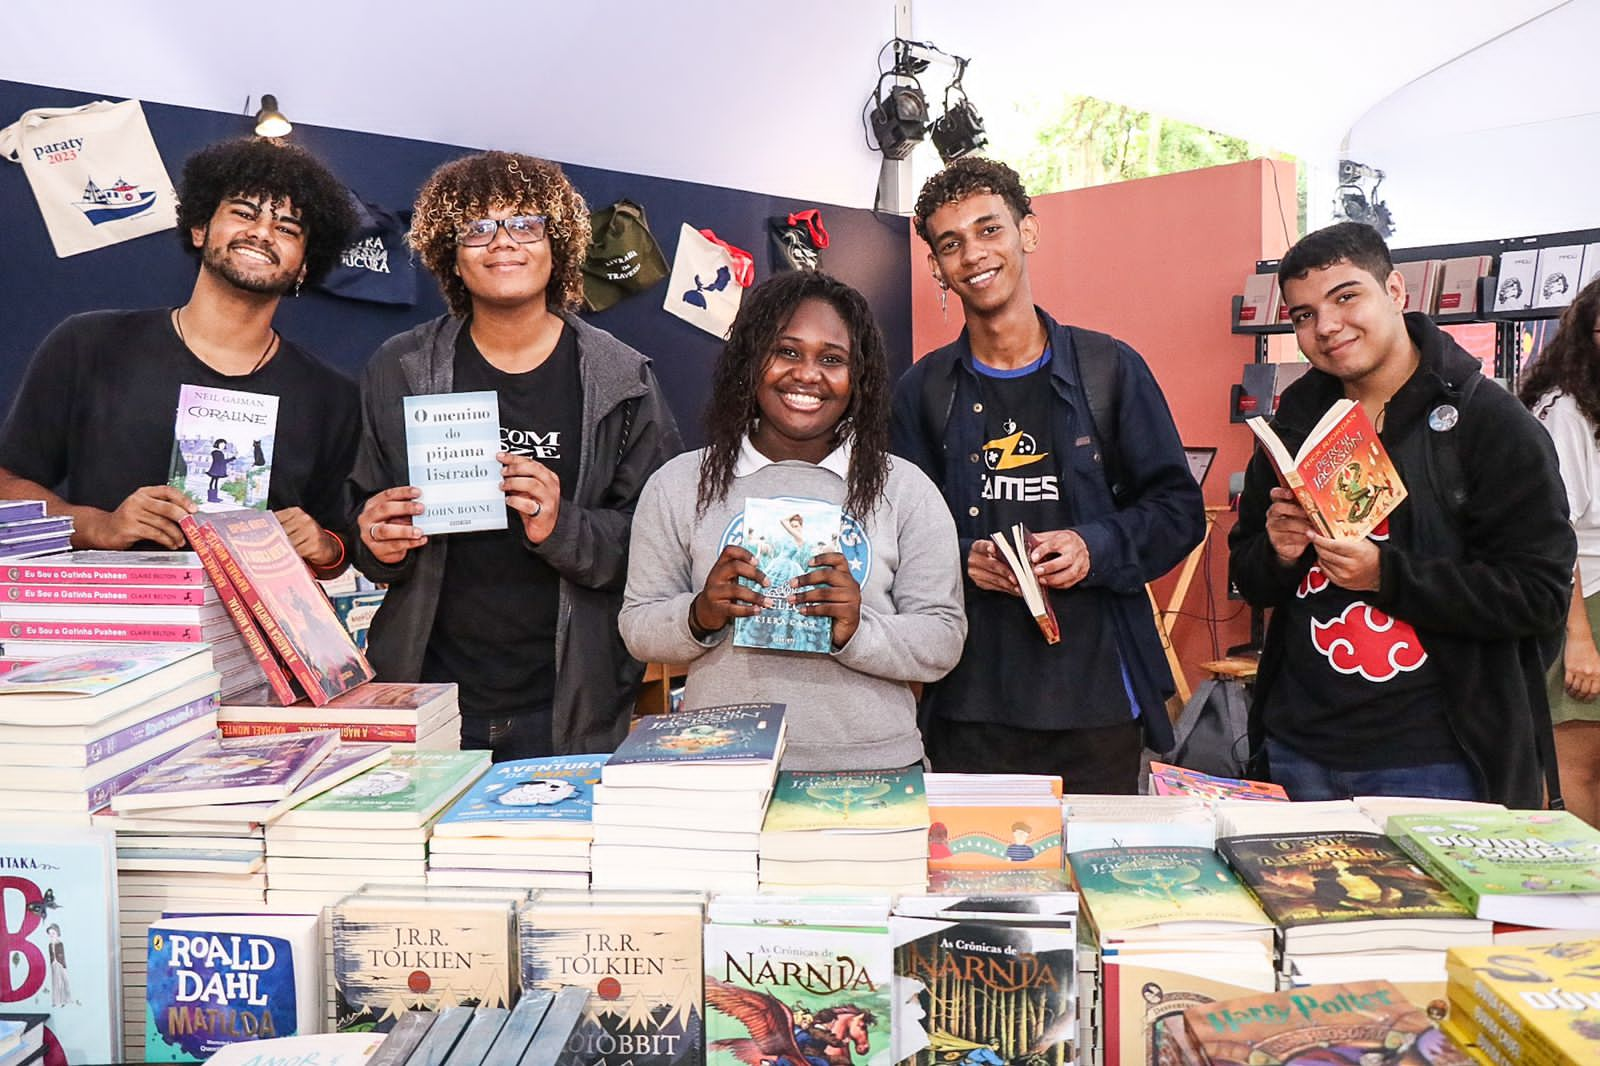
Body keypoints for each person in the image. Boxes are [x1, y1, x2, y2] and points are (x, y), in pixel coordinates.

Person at [1230, 222, 1574, 807]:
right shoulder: (1293, 422)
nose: (1327, 327)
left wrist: (1385, 577)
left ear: (1396, 291)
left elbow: (1539, 594)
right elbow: (1251, 577)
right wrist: (1278, 552)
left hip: (1441, 758)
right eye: (1304, 315)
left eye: (1346, 296)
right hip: (1298, 748)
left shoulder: (1489, 424)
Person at [349, 151, 679, 760]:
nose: (502, 243)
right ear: (450, 253)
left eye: (525, 223)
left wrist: (564, 526)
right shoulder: (399, 367)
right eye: (476, 228)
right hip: (428, 695)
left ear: (559, 244)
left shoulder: (622, 377)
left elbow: (662, 542)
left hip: (572, 701)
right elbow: (360, 516)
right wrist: (376, 541)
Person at [889, 157, 1204, 793]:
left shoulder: (1110, 369)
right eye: (951, 244)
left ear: (1027, 232)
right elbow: (890, 535)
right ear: (935, 267)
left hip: (1098, 703)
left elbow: (1179, 510)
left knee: (1094, 885)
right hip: (969, 699)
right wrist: (959, 558)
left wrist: (1094, 546)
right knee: (970, 888)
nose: (974, 254)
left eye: (990, 230)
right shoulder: (921, 391)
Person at [620, 271, 966, 770]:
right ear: (751, 359)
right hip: (723, 766)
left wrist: (855, 629)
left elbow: (943, 639)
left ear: (859, 377)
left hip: (872, 770)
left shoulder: (904, 489)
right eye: (786, 352)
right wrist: (701, 614)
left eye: (832, 359)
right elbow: (637, 626)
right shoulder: (679, 484)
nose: (808, 374)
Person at [0, 137, 359, 572]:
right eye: (243, 213)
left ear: (304, 265)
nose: (262, 232)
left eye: (286, 228)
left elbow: (338, 543)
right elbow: (7, 486)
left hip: (252, 632)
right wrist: (100, 525)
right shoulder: (89, 344)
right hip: (101, 624)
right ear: (200, 228)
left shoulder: (333, 396)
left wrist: (321, 544)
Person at [1520, 275, 1600, 826]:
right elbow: (1554, 534)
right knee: (1578, 767)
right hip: (1584, 604)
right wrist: (1578, 640)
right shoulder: (1567, 412)